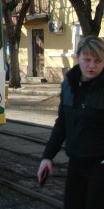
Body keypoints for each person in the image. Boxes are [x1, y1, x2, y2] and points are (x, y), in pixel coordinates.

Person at [37, 35, 104, 209]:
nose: (92, 65)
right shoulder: (69, 86)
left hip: (100, 167)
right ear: (78, 57)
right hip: (75, 164)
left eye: (98, 61)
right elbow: (62, 124)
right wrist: (47, 157)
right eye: (87, 59)